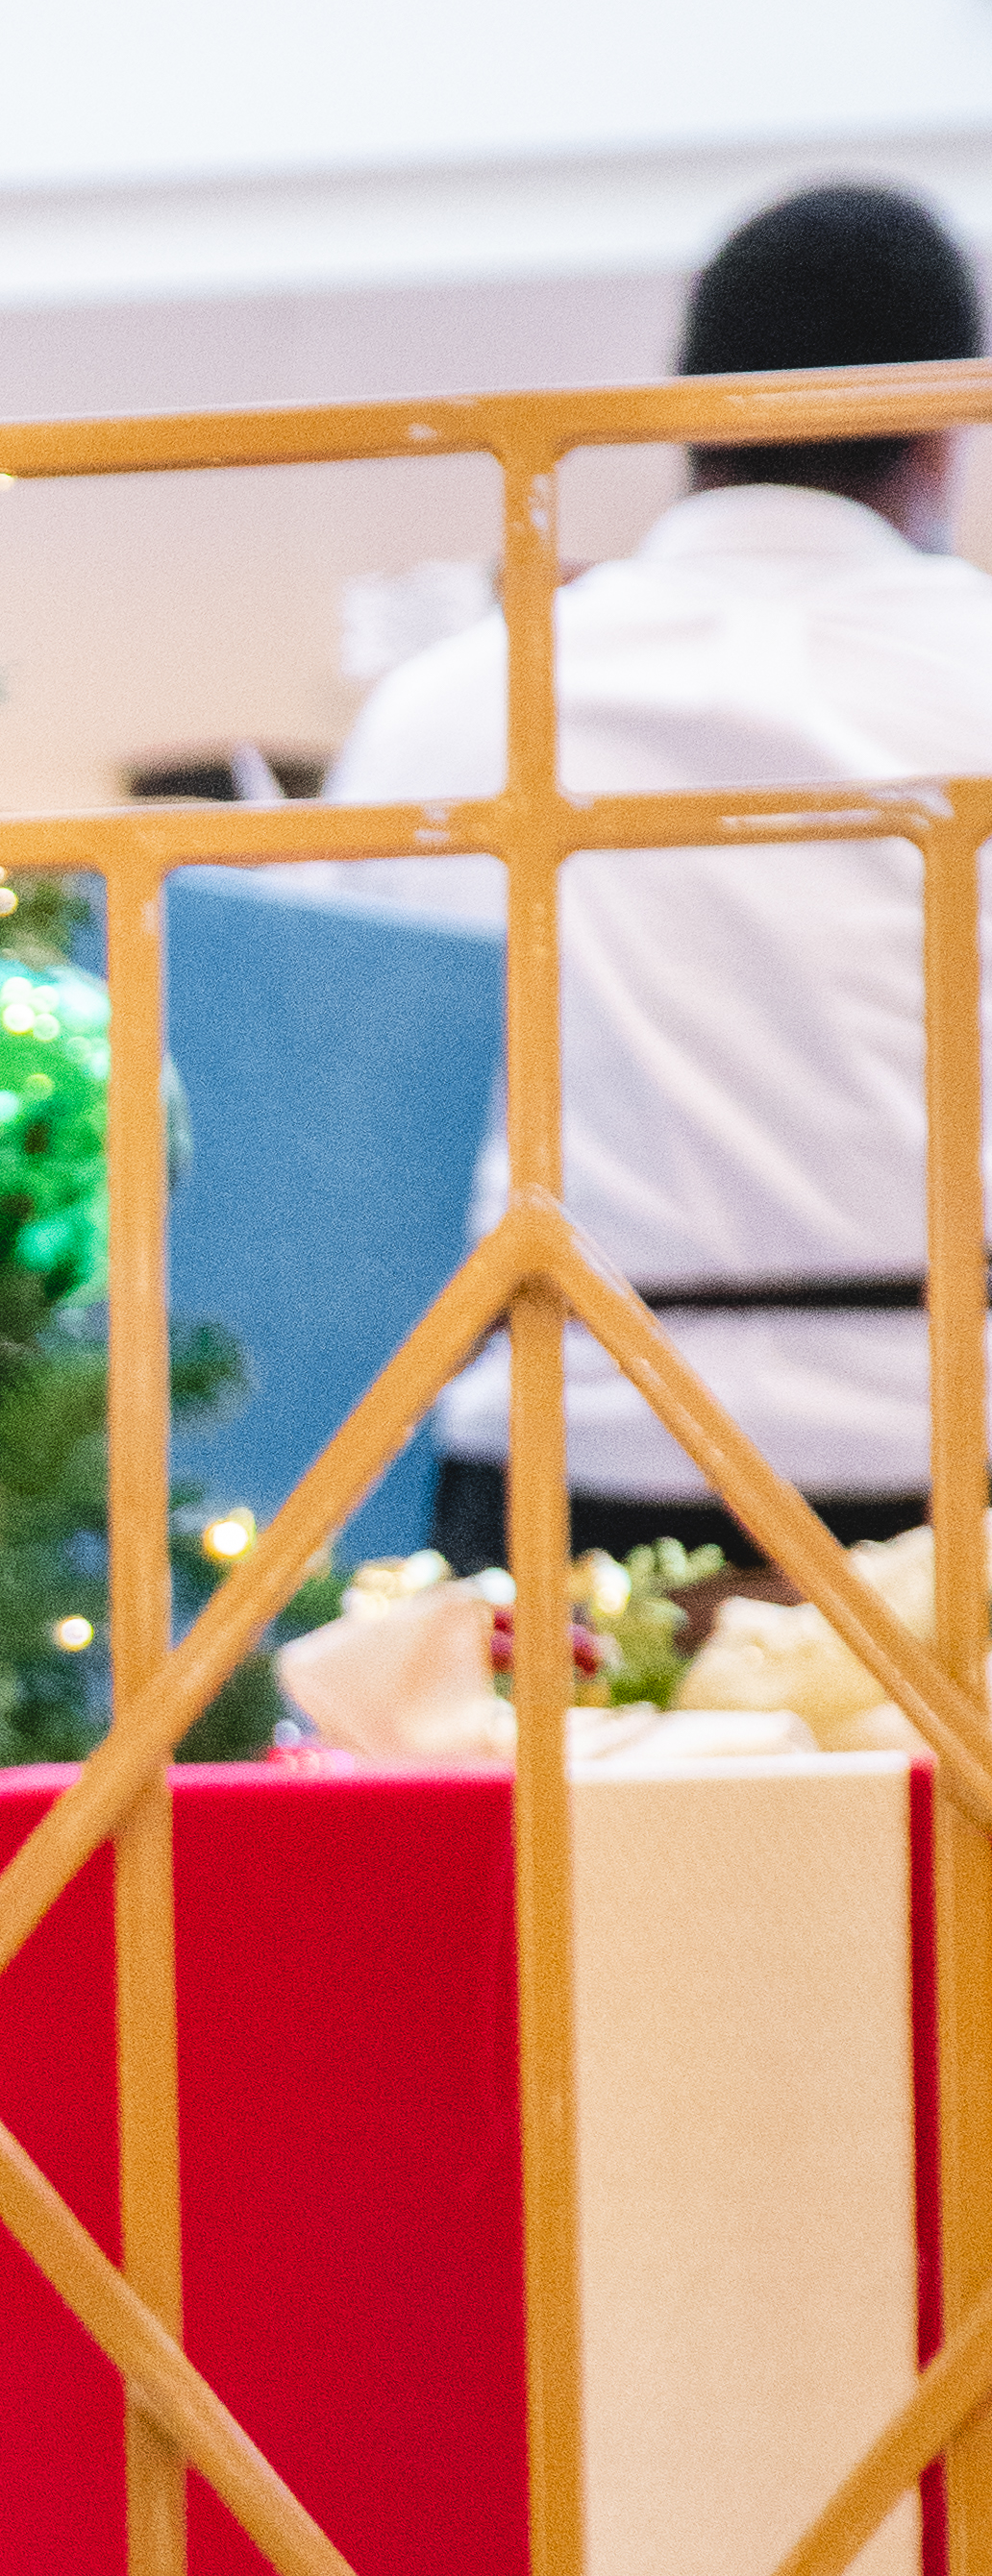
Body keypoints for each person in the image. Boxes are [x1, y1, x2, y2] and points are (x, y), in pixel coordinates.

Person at [322, 180, 992, 1563]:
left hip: (564, 1492)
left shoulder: (458, 706)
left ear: (690, 420)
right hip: (952, 1479)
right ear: (946, 429)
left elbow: (351, 1142)